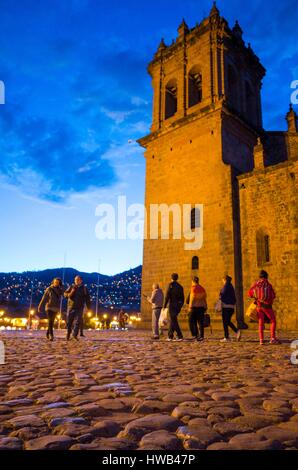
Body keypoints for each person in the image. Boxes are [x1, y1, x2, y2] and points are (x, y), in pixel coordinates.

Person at [248, 270, 280, 346]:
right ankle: (272, 338)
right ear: (266, 276)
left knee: (260, 322)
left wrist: (257, 298)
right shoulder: (268, 285)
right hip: (266, 306)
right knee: (273, 320)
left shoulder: (256, 284)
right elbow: (273, 295)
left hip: (258, 306)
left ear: (260, 277)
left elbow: (250, 294)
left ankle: (261, 340)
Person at [64, 275, 91, 341]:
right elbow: (65, 294)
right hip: (71, 307)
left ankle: (74, 335)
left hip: (80, 307)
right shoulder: (71, 287)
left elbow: (88, 298)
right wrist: (71, 292)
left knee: (78, 322)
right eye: (75, 279)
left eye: (78, 279)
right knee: (69, 322)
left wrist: (88, 307)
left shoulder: (84, 289)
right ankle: (68, 334)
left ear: (81, 281)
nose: (76, 281)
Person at [219, 275, 241, 342]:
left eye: (223, 280)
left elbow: (222, 295)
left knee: (225, 322)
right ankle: (236, 331)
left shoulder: (225, 287)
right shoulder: (231, 286)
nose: (222, 282)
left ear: (225, 280)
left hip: (226, 307)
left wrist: (220, 295)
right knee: (227, 321)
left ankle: (227, 337)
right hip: (231, 307)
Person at [164, 273, 184, 341]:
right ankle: (170, 335)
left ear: (171, 278)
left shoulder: (170, 285)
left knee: (174, 320)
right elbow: (182, 298)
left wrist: (164, 305)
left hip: (172, 305)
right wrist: (180, 305)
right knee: (173, 320)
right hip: (178, 306)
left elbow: (167, 296)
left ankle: (179, 335)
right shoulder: (180, 286)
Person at [186, 276, 207, 342]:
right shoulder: (202, 288)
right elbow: (204, 298)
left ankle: (196, 335)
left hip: (194, 308)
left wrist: (189, 307)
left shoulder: (193, 288)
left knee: (192, 322)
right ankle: (201, 336)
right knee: (200, 322)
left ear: (193, 281)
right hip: (201, 307)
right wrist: (205, 306)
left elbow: (192, 298)